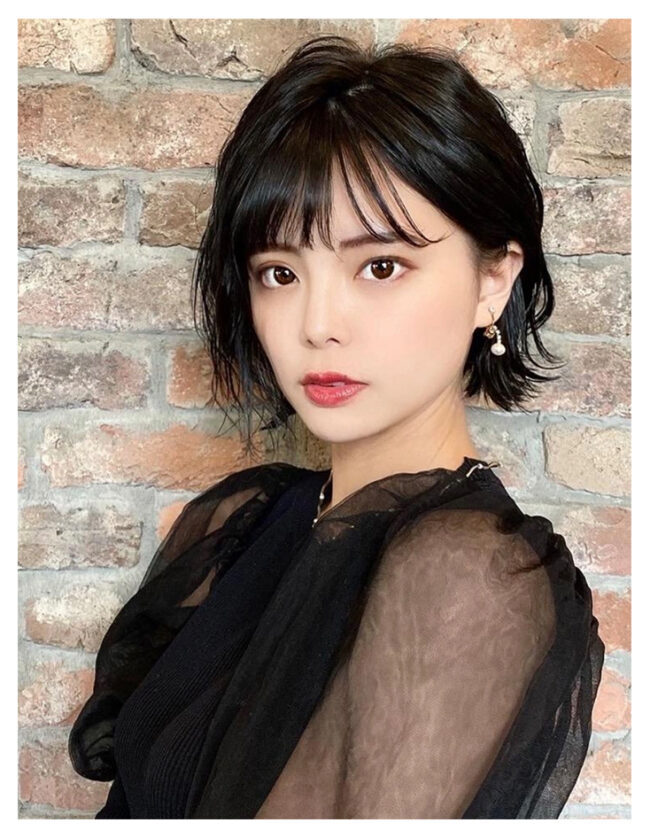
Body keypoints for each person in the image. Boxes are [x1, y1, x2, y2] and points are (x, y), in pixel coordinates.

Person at [68, 35, 605, 818]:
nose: (317, 323)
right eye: (280, 273)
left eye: (380, 266)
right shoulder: (250, 517)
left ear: (493, 280)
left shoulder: (466, 579)